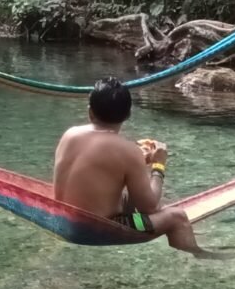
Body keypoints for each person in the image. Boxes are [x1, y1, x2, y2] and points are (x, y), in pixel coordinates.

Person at [52, 77, 213, 257]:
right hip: (99, 230)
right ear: (128, 115)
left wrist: (138, 162)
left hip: (62, 221)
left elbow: (101, 168)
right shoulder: (128, 151)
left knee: (134, 197)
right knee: (177, 217)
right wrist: (158, 165)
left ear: (90, 113)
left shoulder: (69, 134)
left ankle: (179, 232)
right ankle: (200, 257)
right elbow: (149, 208)